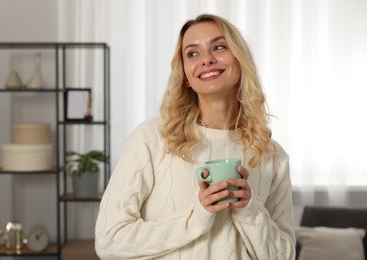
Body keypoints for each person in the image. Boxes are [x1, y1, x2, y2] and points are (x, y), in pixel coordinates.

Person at [95, 13, 295, 259]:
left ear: (240, 60)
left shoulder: (272, 155)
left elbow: (284, 256)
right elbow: (109, 241)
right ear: (186, 77)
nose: (207, 60)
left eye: (219, 47)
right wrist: (197, 217)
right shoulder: (151, 138)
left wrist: (249, 208)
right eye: (192, 53)